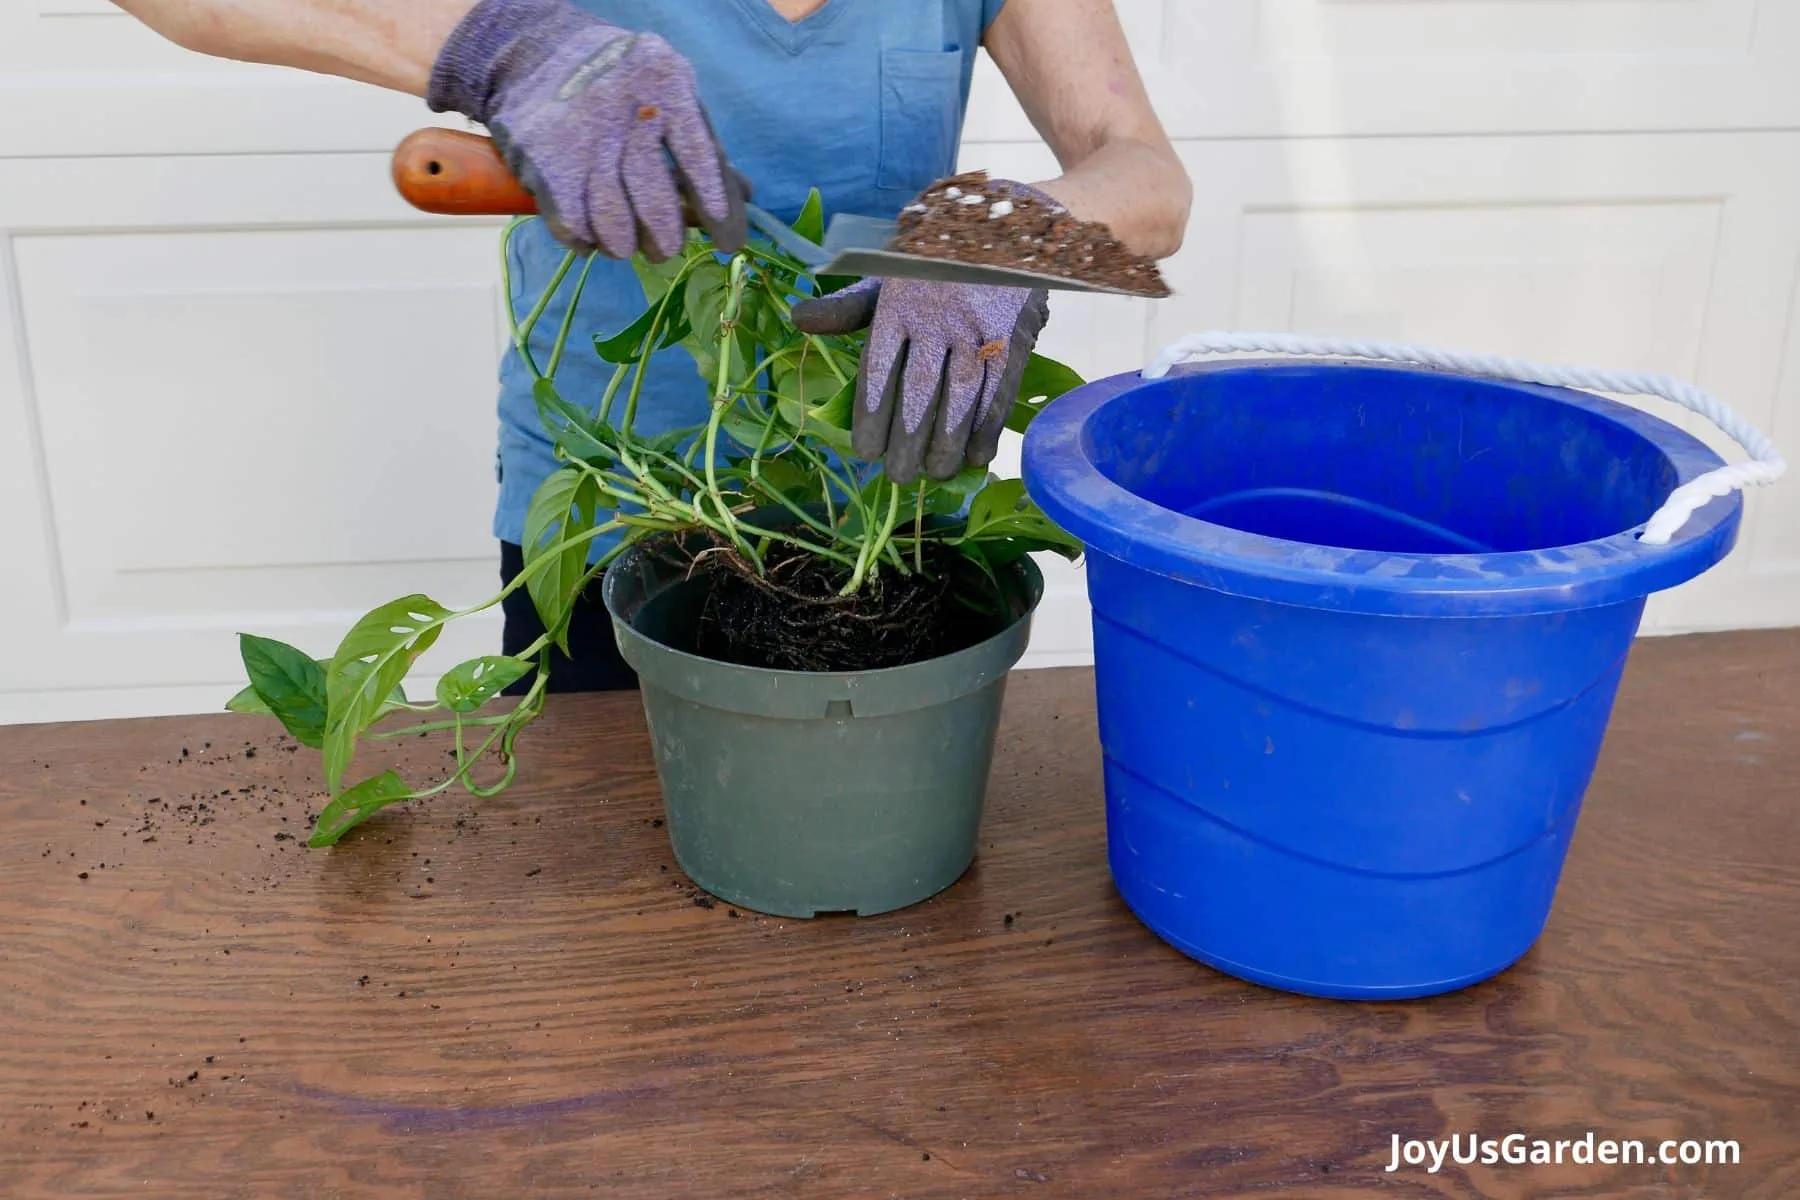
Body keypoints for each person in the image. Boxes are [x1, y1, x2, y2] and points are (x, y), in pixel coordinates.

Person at [115, 0, 1191, 689]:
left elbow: (1143, 171)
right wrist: (502, 43)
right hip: (612, 516)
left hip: (891, 516)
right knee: (606, 931)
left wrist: (1004, 233)